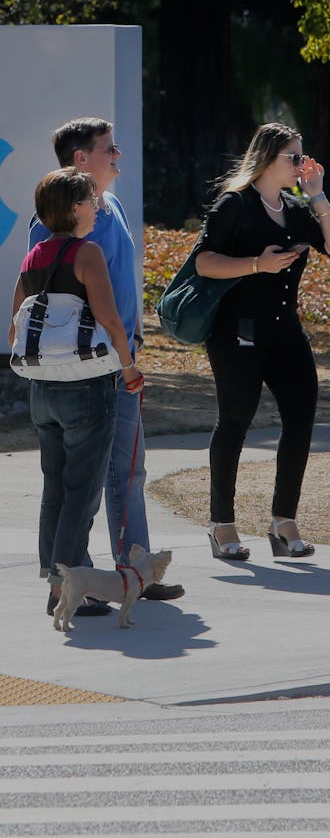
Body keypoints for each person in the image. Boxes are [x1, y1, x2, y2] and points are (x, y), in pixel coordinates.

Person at [29, 118, 183, 603]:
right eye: (108, 148)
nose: (118, 155)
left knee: (127, 472)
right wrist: (121, 355)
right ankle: (75, 582)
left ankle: (135, 572)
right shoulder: (52, 223)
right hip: (89, 370)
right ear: (80, 159)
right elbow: (56, 302)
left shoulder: (110, 206)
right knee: (82, 483)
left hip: (118, 361)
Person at [194, 122, 330, 561]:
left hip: (285, 329)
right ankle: (221, 522)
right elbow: (205, 262)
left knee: (301, 418)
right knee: (236, 420)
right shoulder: (234, 205)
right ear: (267, 158)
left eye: (303, 157)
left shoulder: (299, 209)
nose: (301, 165)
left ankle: (283, 521)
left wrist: (317, 194)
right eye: (293, 158)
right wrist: (256, 265)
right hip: (238, 329)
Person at [9, 168, 144, 616]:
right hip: (86, 386)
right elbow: (108, 318)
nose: (97, 207)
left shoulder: (33, 257)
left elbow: (16, 326)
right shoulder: (87, 253)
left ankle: (54, 579)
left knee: (55, 489)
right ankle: (64, 588)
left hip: (42, 388)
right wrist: (128, 366)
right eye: (91, 201)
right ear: (74, 208)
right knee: (83, 494)